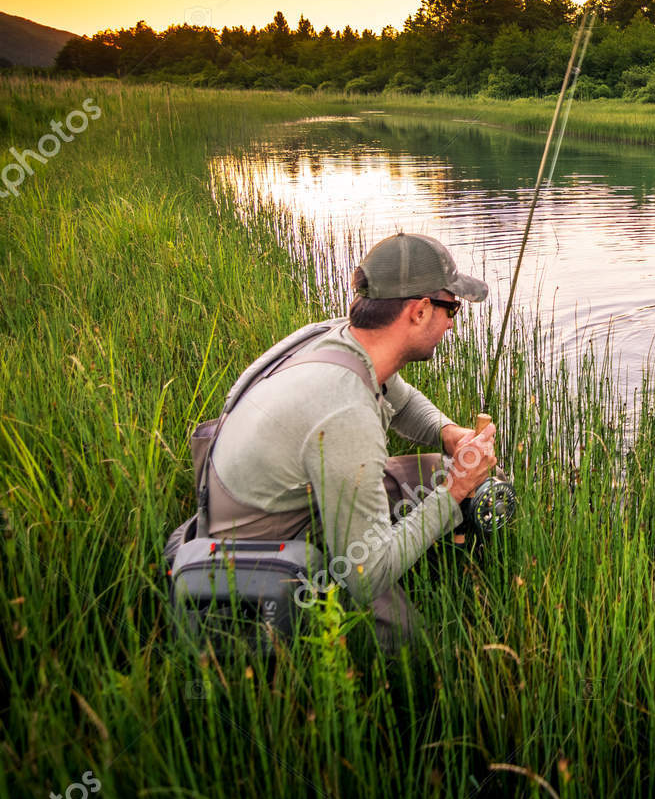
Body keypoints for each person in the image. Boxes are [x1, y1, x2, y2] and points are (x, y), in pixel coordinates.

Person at [205, 232, 497, 648]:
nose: (452, 323)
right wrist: (455, 491)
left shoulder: (339, 337)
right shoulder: (346, 411)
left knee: (436, 468)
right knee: (417, 649)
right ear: (419, 311)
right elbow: (369, 575)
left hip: (270, 496)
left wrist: (447, 433)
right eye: (453, 309)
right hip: (260, 544)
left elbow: (403, 400)